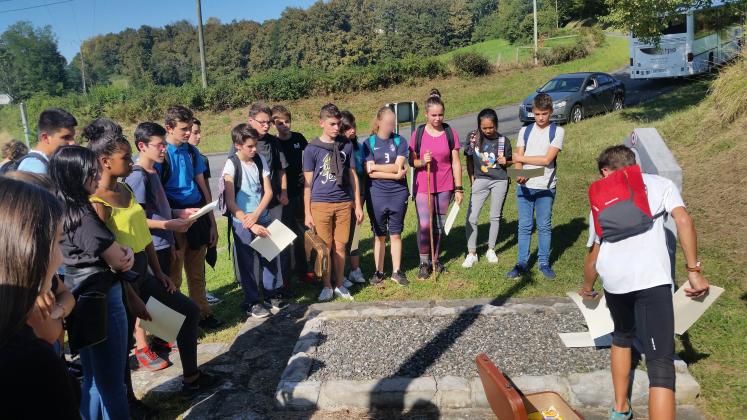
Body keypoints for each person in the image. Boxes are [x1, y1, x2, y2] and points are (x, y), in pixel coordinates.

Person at [86, 120, 217, 395]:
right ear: (105, 161)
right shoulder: (98, 202)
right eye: (124, 158)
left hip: (146, 273)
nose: (129, 161)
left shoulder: (126, 189)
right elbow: (102, 254)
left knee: (189, 312)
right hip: (122, 281)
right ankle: (128, 400)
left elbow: (142, 234)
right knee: (122, 345)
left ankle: (191, 377)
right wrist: (130, 292)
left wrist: (159, 273)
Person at [580, 145, 710, 420]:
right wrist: (693, 270)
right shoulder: (660, 184)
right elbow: (683, 220)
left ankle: (620, 408)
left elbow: (594, 255)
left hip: (615, 282)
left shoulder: (601, 198)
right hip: (652, 279)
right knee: (660, 363)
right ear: (633, 163)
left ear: (606, 171)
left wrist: (587, 288)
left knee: (622, 337)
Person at [51, 145, 134, 420]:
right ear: (77, 176)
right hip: (102, 298)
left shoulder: (58, 208)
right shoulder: (83, 216)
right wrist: (128, 252)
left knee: (93, 378)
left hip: (79, 295)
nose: (98, 178)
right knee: (113, 384)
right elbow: (118, 260)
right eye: (91, 173)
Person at [0, 177, 80, 419]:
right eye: (57, 242)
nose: (61, 258)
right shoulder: (29, 364)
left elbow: (66, 296)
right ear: (27, 249)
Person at [125, 122, 197, 370]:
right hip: (150, 247)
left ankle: (163, 339)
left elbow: (159, 210)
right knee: (146, 301)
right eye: (159, 145)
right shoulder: (137, 176)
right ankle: (142, 347)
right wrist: (169, 225)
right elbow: (139, 219)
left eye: (165, 144)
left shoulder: (154, 171)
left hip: (164, 245)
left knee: (162, 297)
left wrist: (180, 212)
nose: (164, 149)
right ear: (142, 146)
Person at [159, 106, 222, 330]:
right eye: (183, 129)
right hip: (173, 219)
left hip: (197, 215)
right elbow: (155, 195)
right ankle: (170, 328)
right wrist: (174, 216)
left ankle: (203, 315)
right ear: (169, 128)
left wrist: (211, 222)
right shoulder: (160, 154)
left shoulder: (192, 152)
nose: (188, 133)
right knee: (173, 279)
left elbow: (203, 186)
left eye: (189, 129)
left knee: (197, 274)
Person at [4, 171, 76, 351]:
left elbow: (66, 295)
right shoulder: (17, 292)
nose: (60, 258)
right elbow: (48, 333)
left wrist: (56, 310)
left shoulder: (42, 275)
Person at [303, 103, 363, 301]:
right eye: (332, 124)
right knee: (325, 247)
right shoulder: (312, 149)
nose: (337, 128)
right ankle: (327, 285)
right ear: (321, 123)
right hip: (320, 203)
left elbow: (353, 175)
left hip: (344, 202)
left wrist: (357, 203)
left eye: (338, 124)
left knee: (340, 246)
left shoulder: (346, 145)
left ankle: (339, 284)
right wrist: (307, 212)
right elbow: (308, 183)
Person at [223, 124, 278, 318]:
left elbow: (268, 191)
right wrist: (249, 221)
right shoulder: (231, 164)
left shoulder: (260, 160)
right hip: (242, 223)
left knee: (270, 257)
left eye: (256, 145)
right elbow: (230, 201)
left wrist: (257, 215)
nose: (254, 150)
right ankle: (253, 302)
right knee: (247, 264)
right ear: (238, 145)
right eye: (250, 147)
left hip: (262, 217)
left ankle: (272, 295)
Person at [508, 92, 564, 280]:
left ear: (551, 112)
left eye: (544, 114)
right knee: (524, 226)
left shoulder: (557, 131)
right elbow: (517, 159)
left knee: (544, 226)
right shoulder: (525, 131)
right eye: (538, 114)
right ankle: (521, 263)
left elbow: (547, 159)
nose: (541, 118)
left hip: (545, 186)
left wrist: (519, 159)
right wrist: (519, 172)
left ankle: (544, 263)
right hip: (524, 186)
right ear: (533, 112)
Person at [408, 89, 463, 279]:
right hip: (423, 185)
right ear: (426, 114)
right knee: (425, 224)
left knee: (438, 225)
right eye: (433, 115)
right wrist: (422, 161)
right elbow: (411, 162)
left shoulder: (450, 132)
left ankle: (435, 259)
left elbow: (456, 161)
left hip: (445, 185)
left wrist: (459, 187)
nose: (437, 118)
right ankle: (424, 262)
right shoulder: (419, 133)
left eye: (440, 115)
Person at [362, 106, 410, 285]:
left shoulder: (400, 141)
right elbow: (370, 173)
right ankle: (379, 272)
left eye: (394, 123)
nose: (392, 126)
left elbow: (398, 166)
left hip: (398, 193)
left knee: (396, 234)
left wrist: (376, 167)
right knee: (379, 235)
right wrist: (395, 175)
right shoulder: (369, 143)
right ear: (379, 122)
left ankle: (396, 272)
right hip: (376, 194)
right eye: (389, 123)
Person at [462, 108, 512, 268]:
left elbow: (510, 163)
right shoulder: (472, 138)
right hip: (480, 179)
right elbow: (469, 159)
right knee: (472, 217)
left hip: (500, 180)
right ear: (479, 127)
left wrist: (506, 161)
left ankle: (491, 249)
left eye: (491, 127)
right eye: (484, 128)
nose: (488, 131)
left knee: (494, 216)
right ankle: (472, 253)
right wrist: (471, 179)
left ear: (496, 125)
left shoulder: (504, 141)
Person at [272, 105, 312, 284]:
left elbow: (311, 157)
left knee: (302, 234)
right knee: (283, 236)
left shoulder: (299, 138)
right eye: (280, 123)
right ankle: (285, 277)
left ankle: (303, 271)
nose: (284, 126)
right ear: (274, 124)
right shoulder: (274, 143)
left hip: (300, 194)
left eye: (287, 122)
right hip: (282, 197)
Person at [187, 118, 221, 306]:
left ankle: (202, 305)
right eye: (194, 132)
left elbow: (206, 188)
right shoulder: (166, 156)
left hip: (201, 214)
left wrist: (211, 221)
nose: (198, 136)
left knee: (197, 267)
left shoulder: (201, 158)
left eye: (199, 132)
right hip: (179, 218)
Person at [339, 111, 367, 287]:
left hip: (360, 193)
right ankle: (339, 273)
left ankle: (355, 270)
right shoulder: (338, 148)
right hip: (343, 196)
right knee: (342, 236)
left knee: (355, 233)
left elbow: (363, 170)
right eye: (348, 128)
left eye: (354, 127)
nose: (352, 131)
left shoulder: (359, 147)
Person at [17, 108, 77, 174]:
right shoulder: (35, 170)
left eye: (72, 137)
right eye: (66, 137)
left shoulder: (44, 164)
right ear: (45, 138)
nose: (73, 143)